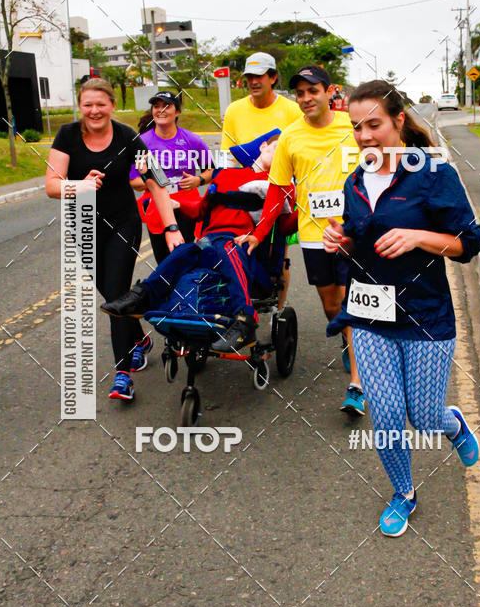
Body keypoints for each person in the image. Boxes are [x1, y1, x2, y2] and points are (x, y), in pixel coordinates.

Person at [323, 80, 480, 536]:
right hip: (370, 311)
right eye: (356, 127)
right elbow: (361, 240)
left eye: (374, 124)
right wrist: (343, 240)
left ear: (397, 120)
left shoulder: (433, 174)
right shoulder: (355, 180)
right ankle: (403, 493)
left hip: (425, 315)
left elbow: (468, 242)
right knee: (389, 416)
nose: (365, 136)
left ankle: (452, 426)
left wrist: (420, 237)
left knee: (425, 418)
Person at [236, 64, 365, 416]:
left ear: (328, 92)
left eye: (313, 90)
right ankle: (346, 337)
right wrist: (260, 231)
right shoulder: (291, 137)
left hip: (358, 233)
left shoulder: (352, 127)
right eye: (301, 92)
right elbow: (277, 191)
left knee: (356, 303)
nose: (307, 98)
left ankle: (357, 385)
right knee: (332, 307)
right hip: (314, 236)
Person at [45, 78, 183, 402]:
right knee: (110, 293)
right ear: (81, 106)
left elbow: (156, 183)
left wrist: (172, 227)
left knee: (117, 292)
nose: (94, 110)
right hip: (85, 226)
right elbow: (52, 185)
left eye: (101, 104)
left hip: (123, 222)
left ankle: (123, 375)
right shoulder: (67, 135)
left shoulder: (128, 138)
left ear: (111, 106)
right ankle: (139, 339)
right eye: (88, 104)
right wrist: (80, 186)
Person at [101, 139, 297, 354]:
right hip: (210, 242)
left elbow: (285, 228)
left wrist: (303, 209)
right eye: (277, 147)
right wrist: (179, 204)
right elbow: (201, 210)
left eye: (286, 153)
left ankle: (245, 319)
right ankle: (144, 295)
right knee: (183, 252)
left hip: (243, 249)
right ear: (263, 147)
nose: (280, 154)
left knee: (225, 247)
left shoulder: (282, 185)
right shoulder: (225, 175)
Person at [220, 52, 302, 309]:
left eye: (259, 76)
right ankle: (242, 303)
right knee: (240, 247)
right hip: (244, 192)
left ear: (273, 77)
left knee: (277, 257)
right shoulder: (235, 110)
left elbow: (300, 151)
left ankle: (276, 309)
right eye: (249, 77)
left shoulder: (291, 109)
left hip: (278, 191)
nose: (254, 82)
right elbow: (227, 155)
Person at [130, 90, 214, 263]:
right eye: (156, 106)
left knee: (184, 258)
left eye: (166, 106)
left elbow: (212, 170)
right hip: (156, 207)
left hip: (186, 204)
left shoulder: (193, 140)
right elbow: (134, 181)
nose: (160, 110)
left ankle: (184, 288)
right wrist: (155, 182)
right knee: (163, 261)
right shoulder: (142, 142)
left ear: (177, 112)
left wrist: (198, 180)